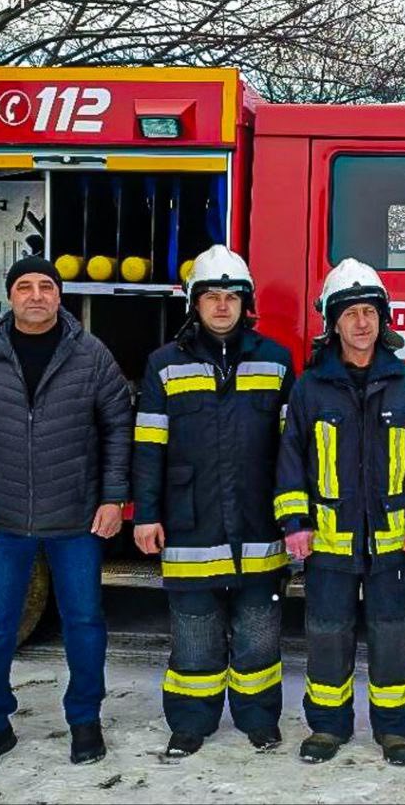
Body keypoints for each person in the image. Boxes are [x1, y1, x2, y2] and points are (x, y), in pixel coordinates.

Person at [0, 256, 132, 777]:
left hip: (77, 518)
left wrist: (113, 498)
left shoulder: (90, 356)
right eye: (26, 286)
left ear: (60, 296)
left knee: (85, 623)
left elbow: (118, 426)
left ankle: (85, 718)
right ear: (11, 296)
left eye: (47, 286)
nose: (37, 295)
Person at [273, 258, 405, 766]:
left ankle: (395, 730)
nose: (361, 323)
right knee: (327, 634)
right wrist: (295, 524)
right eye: (350, 315)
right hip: (328, 541)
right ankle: (327, 728)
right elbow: (291, 459)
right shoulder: (309, 387)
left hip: (392, 542)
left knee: (393, 637)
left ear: (383, 319)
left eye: (369, 313)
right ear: (334, 323)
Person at [132, 245, 296, 756]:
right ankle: (190, 721)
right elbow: (148, 445)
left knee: (259, 631)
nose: (221, 305)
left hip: (259, 521)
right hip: (189, 521)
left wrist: (294, 516)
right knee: (194, 632)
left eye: (231, 296)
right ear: (193, 304)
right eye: (211, 296)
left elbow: (294, 449)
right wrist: (147, 512)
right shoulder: (163, 364)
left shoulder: (276, 359)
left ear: (246, 304)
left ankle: (258, 718)